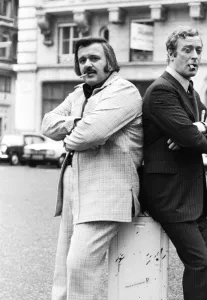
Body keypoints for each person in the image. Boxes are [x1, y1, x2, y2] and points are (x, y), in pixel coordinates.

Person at [42, 37, 143, 300]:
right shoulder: (78, 93)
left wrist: (70, 132)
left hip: (107, 190)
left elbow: (87, 136)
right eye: (82, 59)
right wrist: (77, 121)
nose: (87, 64)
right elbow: (46, 124)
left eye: (94, 58)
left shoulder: (125, 92)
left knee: (81, 265)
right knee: (64, 268)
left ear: (110, 61)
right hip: (74, 187)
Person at [140, 26, 207, 300]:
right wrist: (197, 132)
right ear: (170, 53)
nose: (194, 57)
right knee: (201, 265)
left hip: (191, 196)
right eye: (187, 50)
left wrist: (198, 128)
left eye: (198, 50)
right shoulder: (162, 91)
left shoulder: (190, 91)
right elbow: (193, 139)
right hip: (169, 196)